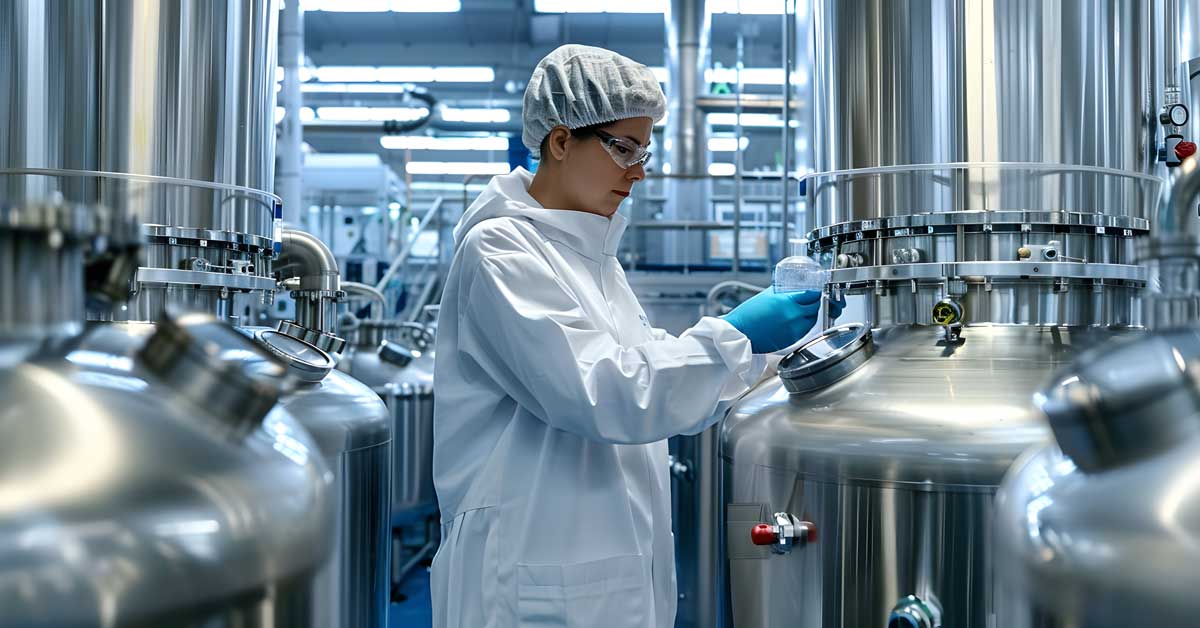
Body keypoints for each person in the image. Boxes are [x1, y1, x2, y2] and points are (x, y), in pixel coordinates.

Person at [430, 44, 840, 627]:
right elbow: (606, 392)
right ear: (561, 140)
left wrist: (766, 355)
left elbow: (657, 387)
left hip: (603, 572)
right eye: (623, 147)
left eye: (644, 150)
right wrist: (734, 333)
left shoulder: (594, 260)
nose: (640, 170)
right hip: (527, 573)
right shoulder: (500, 250)